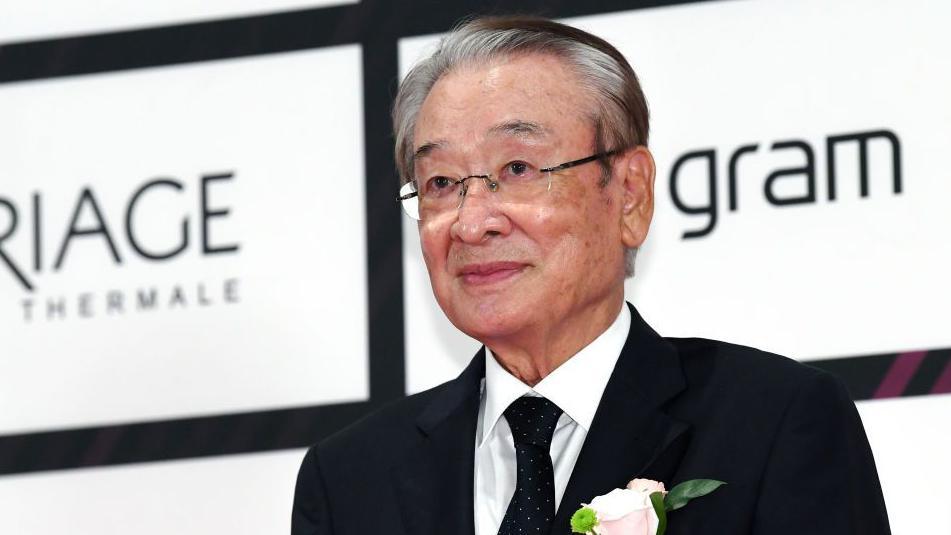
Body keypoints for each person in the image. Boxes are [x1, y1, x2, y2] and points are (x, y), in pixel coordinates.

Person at [292, 15, 890, 535]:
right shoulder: (349, 478)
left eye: (518, 167)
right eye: (442, 183)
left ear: (630, 195)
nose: (472, 223)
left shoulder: (773, 425)